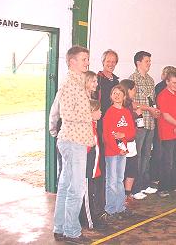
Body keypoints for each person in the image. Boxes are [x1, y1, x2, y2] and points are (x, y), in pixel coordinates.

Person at [53, 46, 95, 243]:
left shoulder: (79, 82)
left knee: (65, 186)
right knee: (76, 189)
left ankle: (60, 227)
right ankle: (71, 231)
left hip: (73, 141)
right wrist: (91, 116)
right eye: (84, 59)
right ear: (72, 62)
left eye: (87, 59)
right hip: (73, 142)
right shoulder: (71, 83)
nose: (87, 62)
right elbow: (67, 114)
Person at [49, 70, 98, 186]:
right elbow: (55, 111)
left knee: (78, 175)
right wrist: (54, 132)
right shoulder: (68, 89)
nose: (96, 84)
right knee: (67, 173)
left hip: (84, 139)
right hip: (70, 137)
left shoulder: (91, 98)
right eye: (93, 81)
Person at [100, 84, 136, 222]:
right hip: (112, 152)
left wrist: (123, 135)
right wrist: (117, 150)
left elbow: (132, 132)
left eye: (119, 93)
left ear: (124, 96)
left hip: (123, 152)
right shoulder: (109, 112)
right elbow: (107, 136)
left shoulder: (126, 112)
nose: (117, 95)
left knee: (119, 180)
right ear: (111, 96)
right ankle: (110, 209)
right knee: (111, 181)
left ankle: (120, 207)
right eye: (114, 93)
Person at [129, 51, 161, 199]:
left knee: (147, 155)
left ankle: (144, 183)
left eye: (149, 61)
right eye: (146, 61)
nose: (149, 63)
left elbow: (152, 100)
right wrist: (148, 109)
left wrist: (154, 111)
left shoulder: (150, 80)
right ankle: (135, 188)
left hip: (150, 122)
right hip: (139, 123)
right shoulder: (132, 79)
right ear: (138, 62)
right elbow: (131, 103)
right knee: (138, 155)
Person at [95, 49, 120, 218]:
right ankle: (102, 201)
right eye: (108, 61)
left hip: (116, 126)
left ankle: (114, 200)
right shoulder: (98, 79)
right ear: (103, 61)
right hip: (102, 126)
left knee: (114, 164)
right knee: (103, 165)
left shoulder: (117, 80)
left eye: (113, 61)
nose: (111, 64)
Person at [156, 72, 176, 198]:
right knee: (167, 161)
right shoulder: (162, 95)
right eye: (173, 82)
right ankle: (163, 187)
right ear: (167, 82)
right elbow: (166, 115)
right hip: (167, 133)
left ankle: (174, 184)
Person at [79, 99, 106, 231]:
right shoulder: (87, 129)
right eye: (98, 110)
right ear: (91, 112)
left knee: (90, 194)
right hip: (87, 170)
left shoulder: (93, 126)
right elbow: (86, 150)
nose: (101, 112)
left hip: (92, 169)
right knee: (87, 196)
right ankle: (90, 221)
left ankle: (88, 218)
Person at [150, 65, 176, 183]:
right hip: (163, 124)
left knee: (163, 152)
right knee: (162, 152)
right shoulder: (161, 89)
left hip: (166, 123)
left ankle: (160, 176)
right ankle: (158, 176)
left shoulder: (171, 90)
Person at [120, 79, 144, 201]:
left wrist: (138, 115)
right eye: (134, 89)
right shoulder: (122, 106)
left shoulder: (130, 104)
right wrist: (136, 115)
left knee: (132, 167)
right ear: (128, 90)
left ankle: (128, 193)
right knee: (124, 168)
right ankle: (122, 195)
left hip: (131, 140)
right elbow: (125, 120)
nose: (135, 92)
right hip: (123, 142)